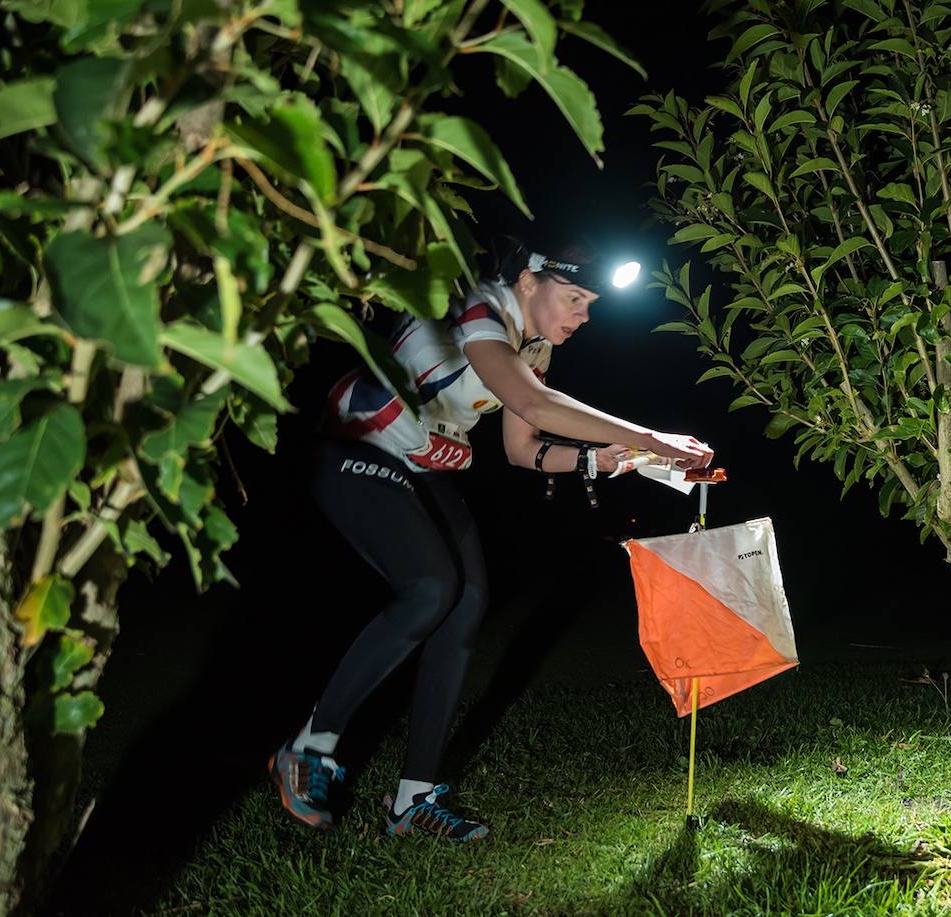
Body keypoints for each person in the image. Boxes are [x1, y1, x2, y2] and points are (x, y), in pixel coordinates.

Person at [269, 238, 713, 842]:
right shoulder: (482, 309)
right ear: (529, 282)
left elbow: (521, 449)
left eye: (591, 305)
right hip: (357, 444)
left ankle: (412, 800)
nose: (583, 316)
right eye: (575, 298)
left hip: (420, 467)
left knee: (467, 603)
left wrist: (610, 461)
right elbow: (533, 403)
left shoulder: (532, 350)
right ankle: (309, 747)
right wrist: (657, 437)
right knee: (430, 589)